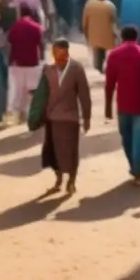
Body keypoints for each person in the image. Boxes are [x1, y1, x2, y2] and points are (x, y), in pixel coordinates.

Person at [105, 25, 140, 184]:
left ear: (121, 38)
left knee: (126, 138)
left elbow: (110, 83)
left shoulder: (114, 55)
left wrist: (108, 106)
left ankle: (136, 166)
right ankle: (138, 169)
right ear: (137, 37)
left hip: (123, 104)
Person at [39, 38, 91, 195]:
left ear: (67, 53)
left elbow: (84, 94)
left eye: (62, 55)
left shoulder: (76, 69)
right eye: (55, 54)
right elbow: (41, 95)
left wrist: (86, 117)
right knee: (53, 152)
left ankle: (71, 181)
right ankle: (58, 179)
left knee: (71, 152)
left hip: (70, 119)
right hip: (52, 118)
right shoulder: (48, 70)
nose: (59, 58)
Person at [6, 3, 45, 123]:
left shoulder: (15, 27)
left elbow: (10, 43)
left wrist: (10, 60)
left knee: (19, 89)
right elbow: (41, 43)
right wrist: (42, 58)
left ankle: (20, 112)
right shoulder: (36, 27)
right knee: (33, 89)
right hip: (33, 62)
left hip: (17, 63)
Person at [82, 0, 117, 74]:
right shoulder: (110, 6)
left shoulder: (89, 4)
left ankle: (99, 71)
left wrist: (86, 33)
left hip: (95, 36)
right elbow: (114, 22)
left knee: (98, 57)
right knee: (103, 56)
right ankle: (101, 71)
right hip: (106, 37)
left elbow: (84, 22)